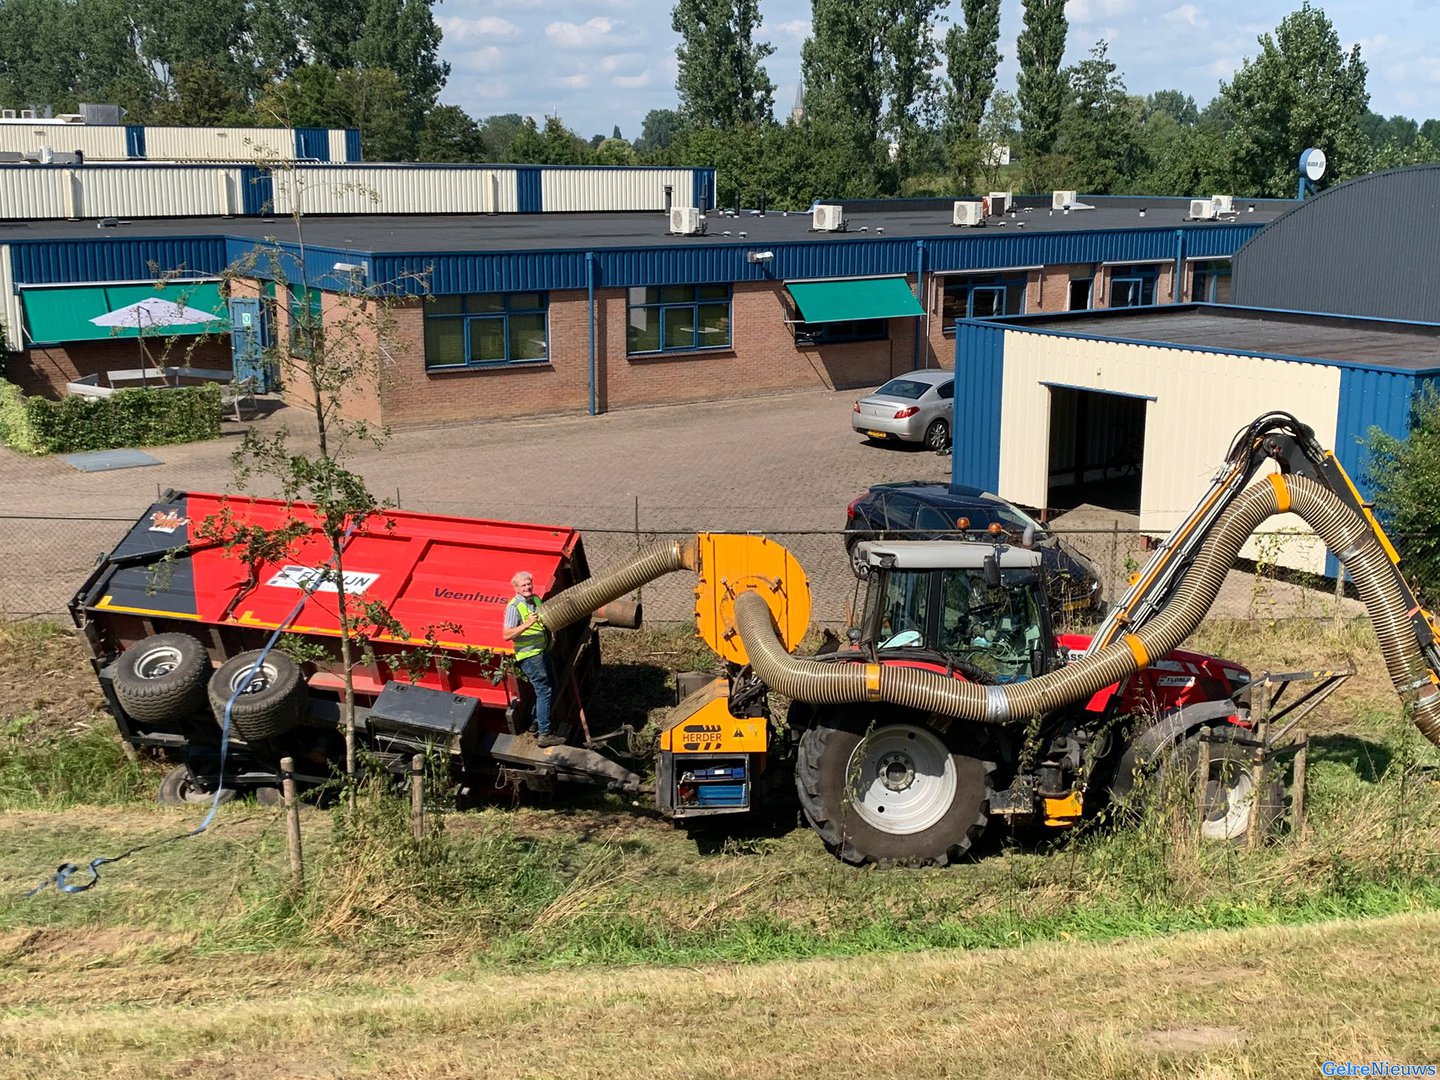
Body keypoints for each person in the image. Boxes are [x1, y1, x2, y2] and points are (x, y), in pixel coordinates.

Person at [502, 570, 564, 747]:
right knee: (544, 690)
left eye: (529, 584)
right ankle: (544, 734)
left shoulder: (536, 600)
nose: (527, 587)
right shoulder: (514, 607)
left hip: (541, 651)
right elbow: (506, 634)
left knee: (552, 685)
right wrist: (527, 623)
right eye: (523, 585)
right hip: (529, 655)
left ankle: (535, 722)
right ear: (516, 588)